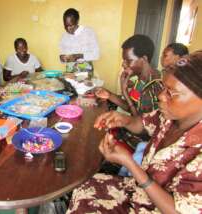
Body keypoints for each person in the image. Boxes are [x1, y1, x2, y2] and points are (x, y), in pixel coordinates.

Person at [67, 50, 202, 214]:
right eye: (163, 88)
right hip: (138, 191)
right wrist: (124, 120)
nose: (161, 96)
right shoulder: (170, 116)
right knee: (83, 184)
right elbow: (143, 123)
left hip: (154, 206)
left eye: (171, 93)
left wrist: (130, 163)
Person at [95, 34, 162, 116]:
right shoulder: (141, 79)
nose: (123, 64)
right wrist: (109, 95)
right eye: (124, 60)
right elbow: (131, 106)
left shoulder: (151, 88)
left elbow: (139, 123)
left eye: (129, 60)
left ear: (144, 59)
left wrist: (125, 92)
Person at [59, 8, 100, 73]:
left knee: (83, 83)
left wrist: (78, 56)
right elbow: (62, 54)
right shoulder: (64, 36)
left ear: (77, 21)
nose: (68, 28)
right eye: (66, 25)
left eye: (71, 25)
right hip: (70, 71)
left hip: (85, 71)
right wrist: (62, 57)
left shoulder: (88, 32)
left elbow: (96, 54)